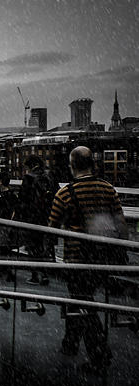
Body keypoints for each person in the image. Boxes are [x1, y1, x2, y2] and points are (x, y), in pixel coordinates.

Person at [48, 146, 127, 374]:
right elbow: (120, 223)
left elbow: (52, 227)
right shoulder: (108, 189)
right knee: (80, 299)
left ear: (72, 166)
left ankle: (98, 354)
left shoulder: (65, 194)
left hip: (78, 257)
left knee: (82, 302)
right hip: (103, 255)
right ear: (92, 163)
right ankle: (70, 343)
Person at [16, 155, 58, 285]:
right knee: (46, 246)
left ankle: (35, 275)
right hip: (47, 217)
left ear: (29, 166)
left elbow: (22, 200)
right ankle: (46, 274)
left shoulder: (29, 178)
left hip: (32, 218)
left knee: (34, 248)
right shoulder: (50, 177)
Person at [0, 172, 18, 282]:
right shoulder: (9, 195)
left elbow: (10, 211)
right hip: (2, 225)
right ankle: (3, 269)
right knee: (2, 248)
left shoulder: (7, 197)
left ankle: (7, 271)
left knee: (3, 248)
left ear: (0, 182)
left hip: (2, 226)